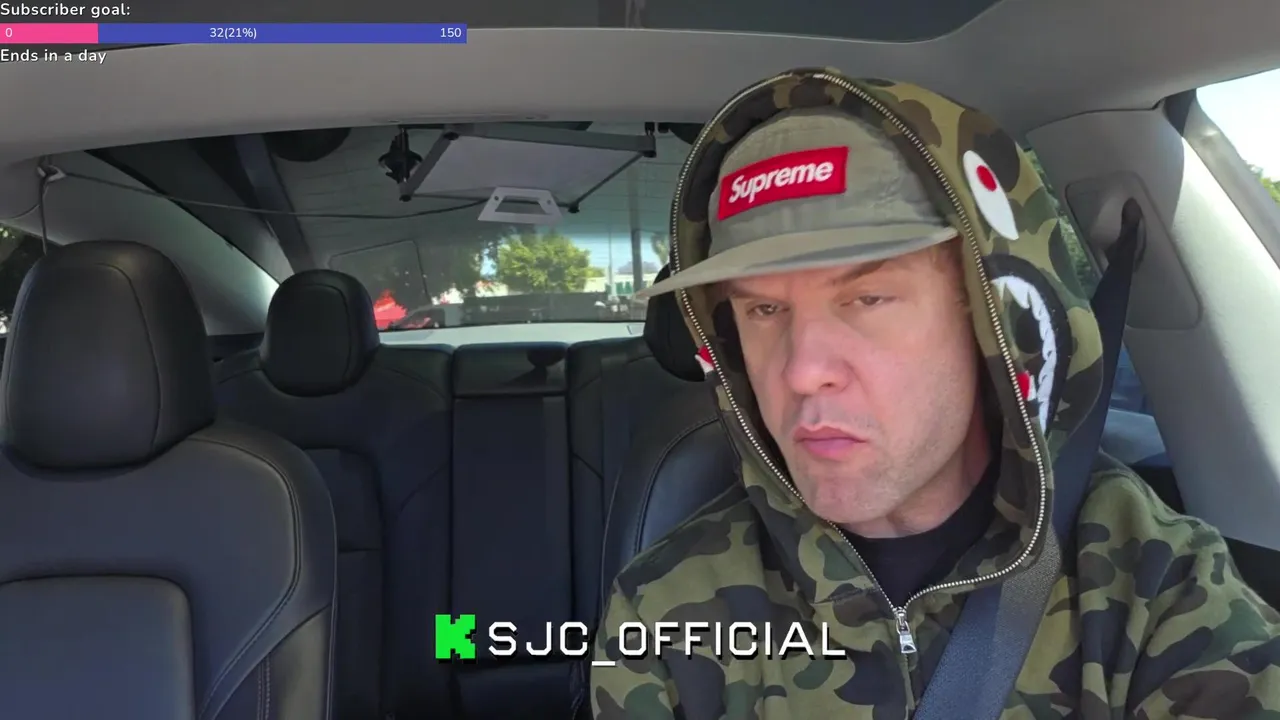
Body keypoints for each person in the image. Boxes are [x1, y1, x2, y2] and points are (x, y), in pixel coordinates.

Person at [590, 68, 1280, 718]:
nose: (801, 372)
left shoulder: (1151, 586)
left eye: (867, 298)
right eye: (763, 310)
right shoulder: (667, 610)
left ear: (989, 318)